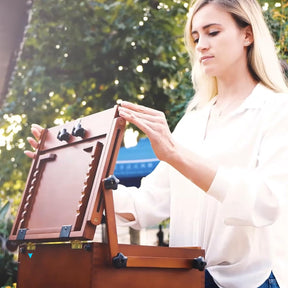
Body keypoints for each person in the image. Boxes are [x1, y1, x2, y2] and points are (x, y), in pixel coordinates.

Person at [25, 0, 288, 287]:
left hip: (254, 280)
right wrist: (70, 174)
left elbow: (267, 202)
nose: (201, 45)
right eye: (196, 36)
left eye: (213, 32)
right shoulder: (193, 120)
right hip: (190, 279)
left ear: (247, 35)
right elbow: (145, 205)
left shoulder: (277, 109)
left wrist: (176, 155)